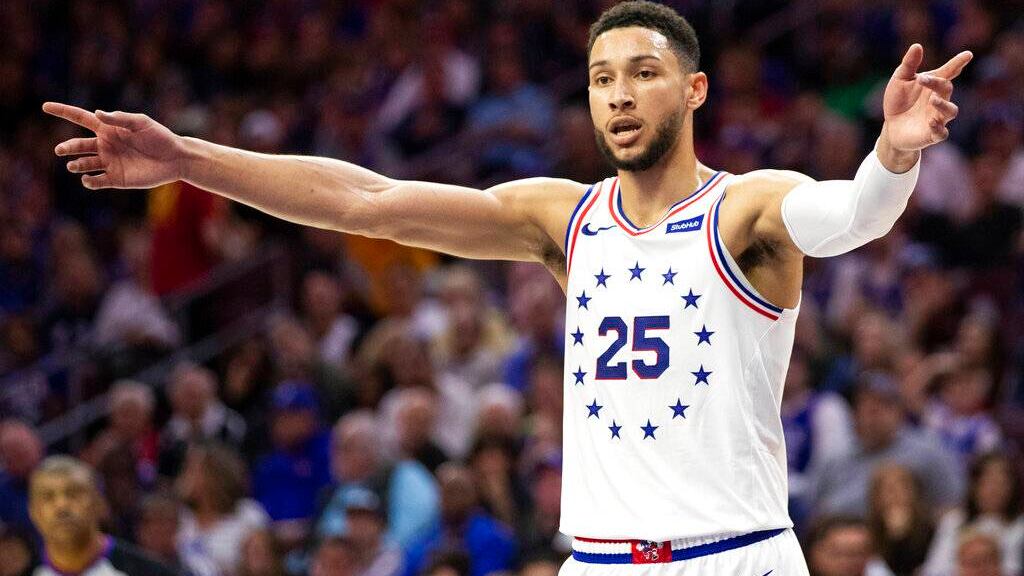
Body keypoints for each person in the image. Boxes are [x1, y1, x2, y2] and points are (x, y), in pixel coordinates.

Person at [42, 1, 972, 571]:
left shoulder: (747, 208)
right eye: (601, 78)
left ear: (693, 91)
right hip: (597, 564)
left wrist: (892, 154)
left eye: (644, 73)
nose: (619, 94)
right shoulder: (562, 218)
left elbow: (854, 215)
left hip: (736, 558)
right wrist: (190, 160)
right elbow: (370, 201)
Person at [27, 456, 180, 576]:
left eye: (74, 493)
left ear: (99, 504)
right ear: (34, 512)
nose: (62, 506)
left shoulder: (151, 572)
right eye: (47, 497)